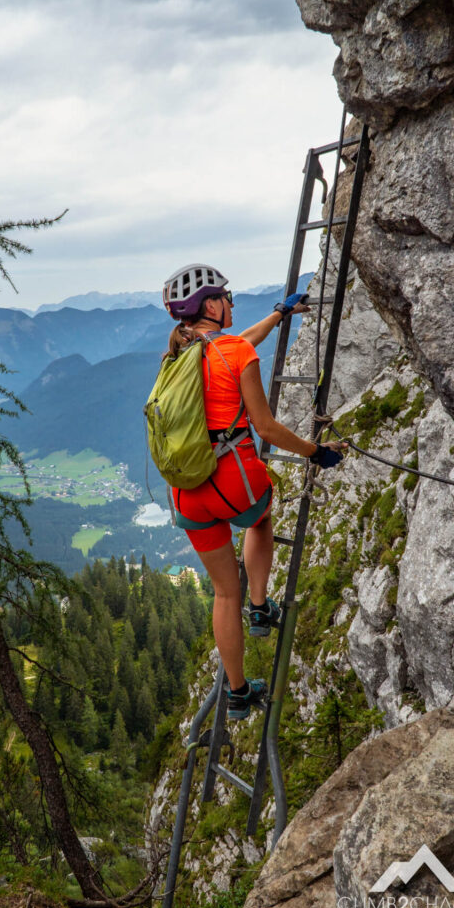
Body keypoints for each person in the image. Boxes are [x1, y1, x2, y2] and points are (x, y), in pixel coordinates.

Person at [162, 264, 347, 719]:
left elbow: (239, 341)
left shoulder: (178, 356)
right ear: (210, 305)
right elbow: (265, 426)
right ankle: (261, 608)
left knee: (225, 594)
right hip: (231, 483)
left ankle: (239, 693)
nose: (231, 301)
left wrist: (277, 316)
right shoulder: (236, 354)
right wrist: (315, 451)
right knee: (259, 518)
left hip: (187, 490)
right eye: (226, 296)